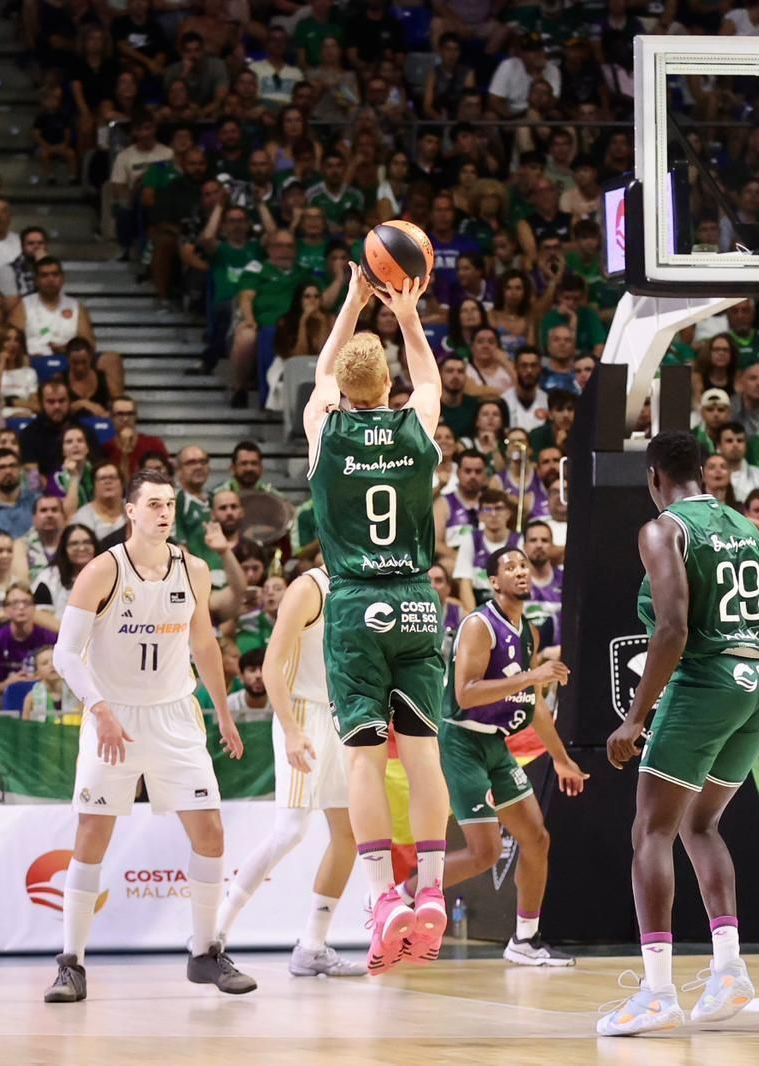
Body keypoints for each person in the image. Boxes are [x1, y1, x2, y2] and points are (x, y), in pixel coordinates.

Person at [598, 430, 759, 1037]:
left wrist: (635, 717)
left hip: (708, 681)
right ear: (702, 472)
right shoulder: (748, 527)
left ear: (653, 477)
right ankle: (729, 970)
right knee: (700, 824)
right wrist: (751, 676)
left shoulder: (664, 530)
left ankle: (657, 992)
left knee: (651, 830)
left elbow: (673, 629)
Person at [42, 470, 251, 1003]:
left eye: (170, 504)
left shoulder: (194, 570)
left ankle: (205, 952)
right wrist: (100, 709)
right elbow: (65, 654)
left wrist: (222, 711)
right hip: (113, 715)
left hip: (175, 715)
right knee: (92, 835)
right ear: (130, 511)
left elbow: (204, 644)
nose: (164, 513)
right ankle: (71, 963)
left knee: (210, 834)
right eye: (154, 504)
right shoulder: (102, 570)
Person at [303, 270, 451, 975]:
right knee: (423, 757)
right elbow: (430, 378)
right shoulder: (415, 425)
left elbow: (321, 376)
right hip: (417, 601)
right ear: (389, 386)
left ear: (341, 389)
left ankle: (382, 897)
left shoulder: (326, 429)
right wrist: (407, 314)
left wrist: (353, 303)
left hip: (355, 603)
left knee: (364, 760)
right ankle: (433, 888)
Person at [392, 547, 586, 965]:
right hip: (461, 741)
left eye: (524, 565)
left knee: (537, 838)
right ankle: (400, 896)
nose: (521, 571)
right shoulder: (479, 625)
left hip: (495, 744)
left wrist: (560, 758)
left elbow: (533, 703)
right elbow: (466, 693)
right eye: (510, 567)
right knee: (485, 853)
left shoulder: (528, 631)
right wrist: (532, 675)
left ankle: (525, 940)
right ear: (494, 582)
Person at [215, 566, 366, 977]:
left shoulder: (364, 585)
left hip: (339, 716)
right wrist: (292, 731)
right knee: (290, 831)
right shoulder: (308, 587)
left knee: (348, 834)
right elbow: (271, 667)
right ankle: (214, 933)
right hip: (301, 712)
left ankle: (312, 946)